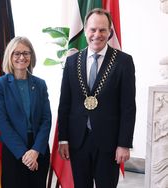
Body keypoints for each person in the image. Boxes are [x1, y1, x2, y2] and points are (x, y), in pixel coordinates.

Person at [58, 8, 136, 188]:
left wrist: (124, 144)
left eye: (102, 30)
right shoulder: (72, 62)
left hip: (109, 144)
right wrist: (63, 139)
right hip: (79, 141)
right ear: (85, 30)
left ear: (109, 32)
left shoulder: (123, 62)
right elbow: (65, 104)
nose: (97, 35)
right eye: (93, 29)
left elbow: (128, 107)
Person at [0, 36, 51, 188]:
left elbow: (46, 119)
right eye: (16, 53)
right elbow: (3, 123)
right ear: (10, 56)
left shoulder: (40, 84)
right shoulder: (0, 85)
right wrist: (25, 154)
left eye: (26, 53)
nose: (22, 57)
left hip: (38, 150)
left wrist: (35, 151)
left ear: (31, 56)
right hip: (14, 151)